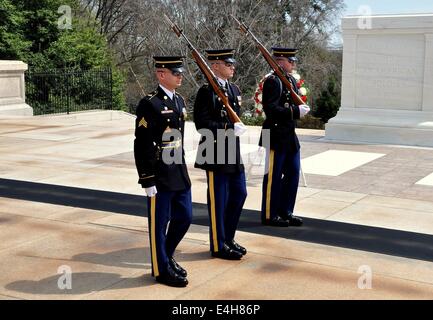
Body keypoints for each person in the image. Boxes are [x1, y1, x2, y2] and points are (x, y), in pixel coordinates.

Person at [134, 56, 192, 287]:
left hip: (178, 170)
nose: (180, 76)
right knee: (159, 225)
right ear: (161, 74)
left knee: (185, 217)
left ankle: (166, 257)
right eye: (175, 72)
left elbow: (179, 140)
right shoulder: (149, 104)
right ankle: (161, 270)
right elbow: (142, 144)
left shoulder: (178, 100)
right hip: (159, 174)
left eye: (180, 72)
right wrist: (147, 179)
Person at [193, 49, 248, 260]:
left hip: (232, 151)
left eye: (232, 63)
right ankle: (218, 245)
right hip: (214, 151)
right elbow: (202, 124)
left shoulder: (233, 89)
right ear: (215, 66)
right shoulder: (206, 92)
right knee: (219, 200)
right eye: (228, 63)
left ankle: (228, 237)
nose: (232, 66)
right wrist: (227, 127)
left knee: (240, 193)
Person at [259, 47, 310, 227]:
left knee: (292, 174)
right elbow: (270, 110)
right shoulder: (273, 81)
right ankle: (270, 214)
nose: (294, 64)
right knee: (273, 176)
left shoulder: (289, 80)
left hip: (288, 135)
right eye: (291, 61)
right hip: (274, 135)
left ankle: (286, 211)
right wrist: (295, 111)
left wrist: (299, 109)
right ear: (280, 62)